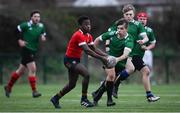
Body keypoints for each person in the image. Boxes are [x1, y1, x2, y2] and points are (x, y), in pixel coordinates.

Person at [93, 4, 160, 102]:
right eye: (126, 14)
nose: (128, 16)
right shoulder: (119, 23)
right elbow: (109, 34)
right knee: (115, 75)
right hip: (119, 54)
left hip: (130, 54)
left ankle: (101, 91)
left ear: (133, 15)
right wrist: (107, 47)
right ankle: (105, 91)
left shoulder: (138, 25)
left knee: (116, 76)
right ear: (123, 15)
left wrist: (143, 41)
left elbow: (146, 38)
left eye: (130, 14)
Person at [50, 16, 110, 109]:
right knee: (86, 74)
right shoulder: (78, 35)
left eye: (89, 24)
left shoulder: (89, 36)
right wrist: (102, 58)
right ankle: (84, 99)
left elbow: (94, 48)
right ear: (80, 26)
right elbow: (88, 51)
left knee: (72, 85)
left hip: (75, 60)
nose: (88, 26)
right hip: (69, 60)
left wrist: (106, 56)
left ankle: (55, 98)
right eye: (86, 24)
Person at [4, 10, 46, 98]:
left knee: (20, 71)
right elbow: (16, 31)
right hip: (26, 49)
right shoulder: (25, 25)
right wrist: (20, 40)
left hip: (33, 50)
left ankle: (8, 87)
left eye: (38, 16)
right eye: (35, 16)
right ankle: (34, 91)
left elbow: (43, 34)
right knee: (33, 68)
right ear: (31, 17)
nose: (37, 18)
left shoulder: (41, 26)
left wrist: (43, 37)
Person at [92, 18, 134, 106]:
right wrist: (92, 51)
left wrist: (116, 59)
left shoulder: (129, 39)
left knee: (110, 80)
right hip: (108, 60)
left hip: (120, 62)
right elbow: (97, 40)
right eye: (118, 28)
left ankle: (96, 96)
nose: (119, 30)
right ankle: (109, 100)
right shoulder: (112, 34)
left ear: (126, 29)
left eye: (121, 28)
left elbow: (125, 55)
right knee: (111, 76)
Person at [137, 12, 156, 82]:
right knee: (128, 69)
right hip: (133, 53)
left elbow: (153, 43)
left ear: (146, 20)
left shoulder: (149, 30)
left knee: (148, 69)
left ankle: (151, 81)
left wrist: (147, 48)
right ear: (137, 19)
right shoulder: (133, 28)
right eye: (140, 19)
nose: (142, 20)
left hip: (144, 52)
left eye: (144, 19)